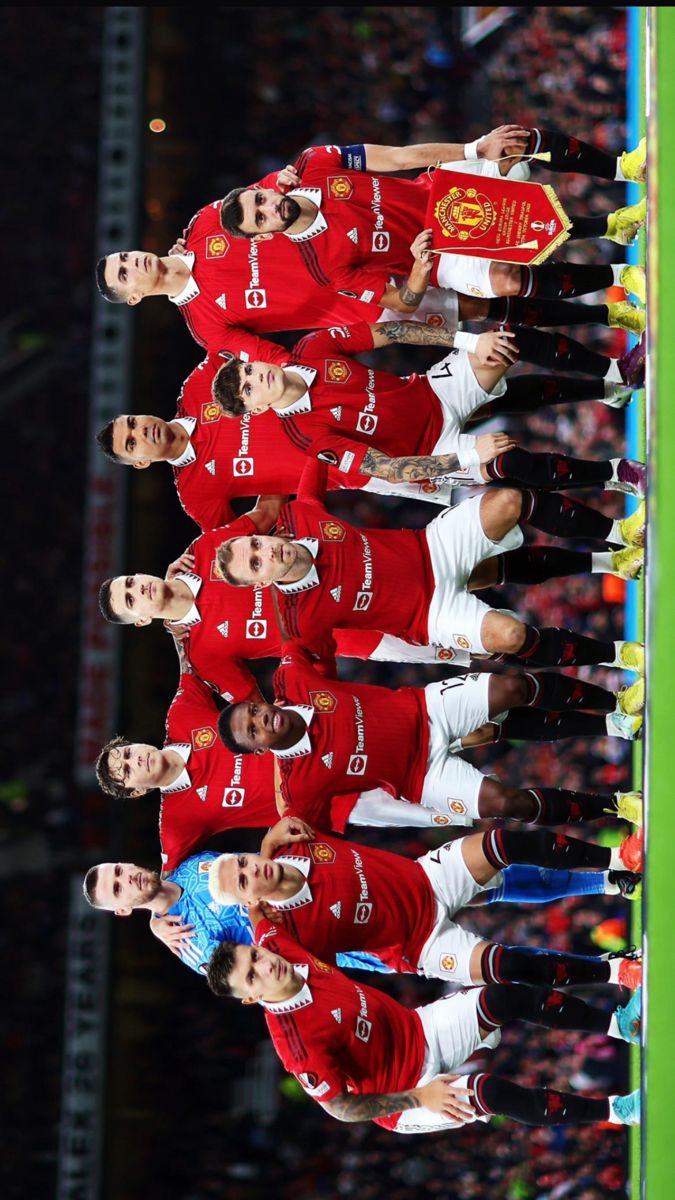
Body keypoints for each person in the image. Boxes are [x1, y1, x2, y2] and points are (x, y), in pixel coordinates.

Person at [214, 458, 646, 671]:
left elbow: (316, 451)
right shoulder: (299, 622)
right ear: (260, 584)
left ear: (261, 534)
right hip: (430, 617)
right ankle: (615, 655)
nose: (264, 553)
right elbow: (320, 679)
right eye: (255, 564)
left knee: (508, 501)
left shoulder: (301, 515)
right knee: (510, 635)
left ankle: (620, 537)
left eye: (256, 544)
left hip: (431, 548)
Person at [206, 925, 641, 1132]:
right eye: (252, 976)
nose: (264, 965)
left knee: (502, 996)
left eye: (254, 955)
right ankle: (617, 1112)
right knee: (487, 1092)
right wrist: (421, 1096)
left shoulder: (279, 945)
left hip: (420, 1030)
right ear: (250, 997)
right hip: (407, 1093)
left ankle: (622, 1026)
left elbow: (257, 904)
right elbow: (340, 1107)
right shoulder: (297, 1045)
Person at [219, 127, 646, 332]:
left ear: (263, 189)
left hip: (440, 193)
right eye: (261, 218)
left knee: (511, 145)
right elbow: (400, 300)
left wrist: (473, 150)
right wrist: (421, 270)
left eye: (260, 199)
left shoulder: (315, 164)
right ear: (264, 235)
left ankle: (622, 169)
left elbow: (399, 157)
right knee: (506, 278)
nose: (269, 208)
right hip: (439, 256)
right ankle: (618, 275)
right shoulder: (321, 267)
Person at [217, 641, 643, 829]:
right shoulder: (298, 786)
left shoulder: (292, 676)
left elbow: (297, 618)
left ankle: (615, 711)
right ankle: (615, 806)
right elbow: (290, 833)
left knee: (512, 687)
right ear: (258, 751)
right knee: (503, 803)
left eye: (254, 710)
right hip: (421, 777)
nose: (262, 719)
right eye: (253, 730)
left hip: (426, 708)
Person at [211, 320, 646, 493]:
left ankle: (617, 373)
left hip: (431, 393)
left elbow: (396, 331)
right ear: (256, 410)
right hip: (433, 449)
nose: (256, 379)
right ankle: (614, 474)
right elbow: (390, 470)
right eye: (248, 391)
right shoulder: (307, 437)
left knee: (504, 340)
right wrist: (465, 456)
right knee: (506, 460)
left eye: (248, 371)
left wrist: (469, 341)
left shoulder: (313, 346)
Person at [207, 825, 642, 988]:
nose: (253, 871)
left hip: (425, 879)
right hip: (418, 946)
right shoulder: (287, 936)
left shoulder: (293, 837)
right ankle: (613, 970)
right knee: (505, 968)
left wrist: (267, 842)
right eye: (243, 881)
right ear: (249, 898)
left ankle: (616, 866)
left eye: (244, 862)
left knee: (502, 845)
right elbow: (280, 976)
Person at [81, 816, 388, 976]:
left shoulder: (186, 863)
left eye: (119, 871)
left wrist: (268, 842)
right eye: (118, 888)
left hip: (340, 880)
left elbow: (259, 867)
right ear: (121, 910)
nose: (127, 878)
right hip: (351, 935)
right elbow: (259, 976)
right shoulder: (187, 940)